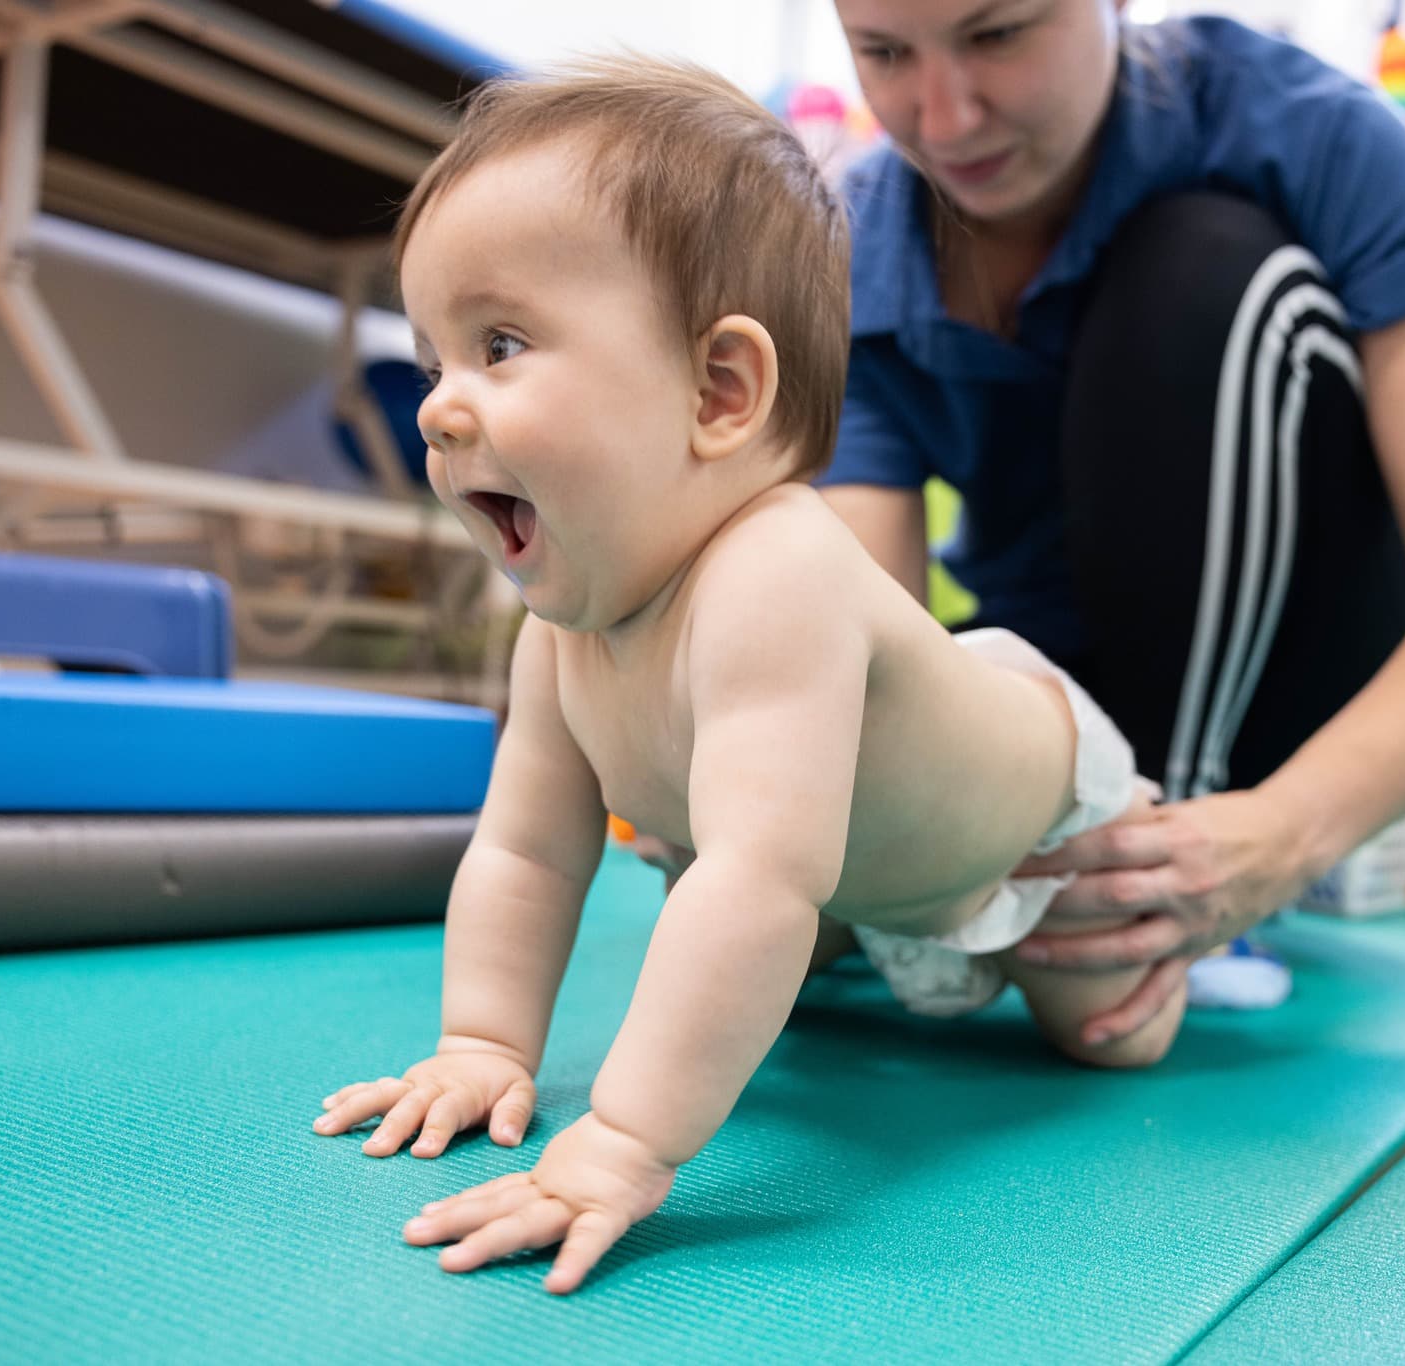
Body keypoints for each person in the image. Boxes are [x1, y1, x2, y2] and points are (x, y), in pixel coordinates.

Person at [313, 56, 1188, 1295]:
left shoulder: (775, 573)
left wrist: (619, 1141)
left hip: (1043, 828)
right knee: (797, 949)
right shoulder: (560, 623)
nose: (439, 410)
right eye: (434, 358)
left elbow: (759, 880)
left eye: (499, 345)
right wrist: (480, 1041)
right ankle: (885, 939)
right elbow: (525, 852)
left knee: (1107, 1034)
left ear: (719, 392)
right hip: (875, 866)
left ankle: (1154, 925)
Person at [802, 1, 1405, 1043]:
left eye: (996, 36)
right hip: (1071, 692)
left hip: (1299, 687)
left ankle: (1197, 840)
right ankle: (1116, 845)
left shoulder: (1312, 133)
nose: (943, 117)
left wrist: (1280, 833)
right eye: (884, 54)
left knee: (1199, 260)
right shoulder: (859, 249)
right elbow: (869, 641)